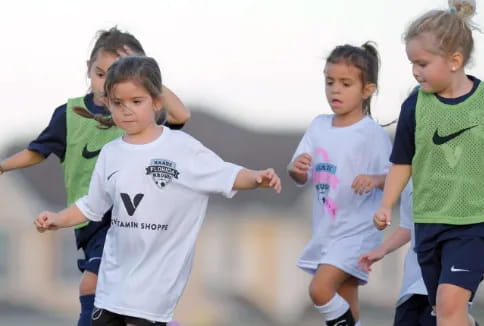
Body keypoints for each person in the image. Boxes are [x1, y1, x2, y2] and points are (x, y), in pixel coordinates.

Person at [34, 55, 282, 325]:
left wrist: (257, 178)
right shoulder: (111, 153)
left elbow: (227, 175)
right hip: (112, 284)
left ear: (157, 102)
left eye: (136, 101)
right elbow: (91, 206)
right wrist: (57, 219)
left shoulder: (182, 148)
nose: (126, 110)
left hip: (154, 291)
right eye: (118, 103)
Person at [0, 27, 190, 326]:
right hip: (87, 219)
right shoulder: (70, 114)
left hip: (128, 216)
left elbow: (181, 116)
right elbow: (37, 151)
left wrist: (146, 77)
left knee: (91, 283)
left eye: (117, 74)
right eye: (101, 74)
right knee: (117, 297)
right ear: (88, 70)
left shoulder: (136, 115)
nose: (106, 84)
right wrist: (2, 166)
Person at [373, 1, 484, 325]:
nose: (415, 71)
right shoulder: (415, 107)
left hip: (477, 222)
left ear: (455, 60)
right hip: (430, 223)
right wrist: (386, 205)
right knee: (445, 312)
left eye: (422, 63)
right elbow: (401, 162)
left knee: (449, 303)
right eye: (412, 62)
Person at [287, 42, 392, 326]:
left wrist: (375, 179)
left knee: (320, 290)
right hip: (327, 229)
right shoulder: (319, 126)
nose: (335, 89)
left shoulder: (371, 133)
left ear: (367, 90)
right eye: (330, 81)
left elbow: (394, 177)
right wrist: (296, 169)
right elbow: (298, 173)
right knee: (345, 298)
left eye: (346, 83)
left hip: (356, 231)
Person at [359, 182, 436, 326]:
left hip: (445, 282)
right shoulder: (409, 180)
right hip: (411, 286)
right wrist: (381, 250)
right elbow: (408, 226)